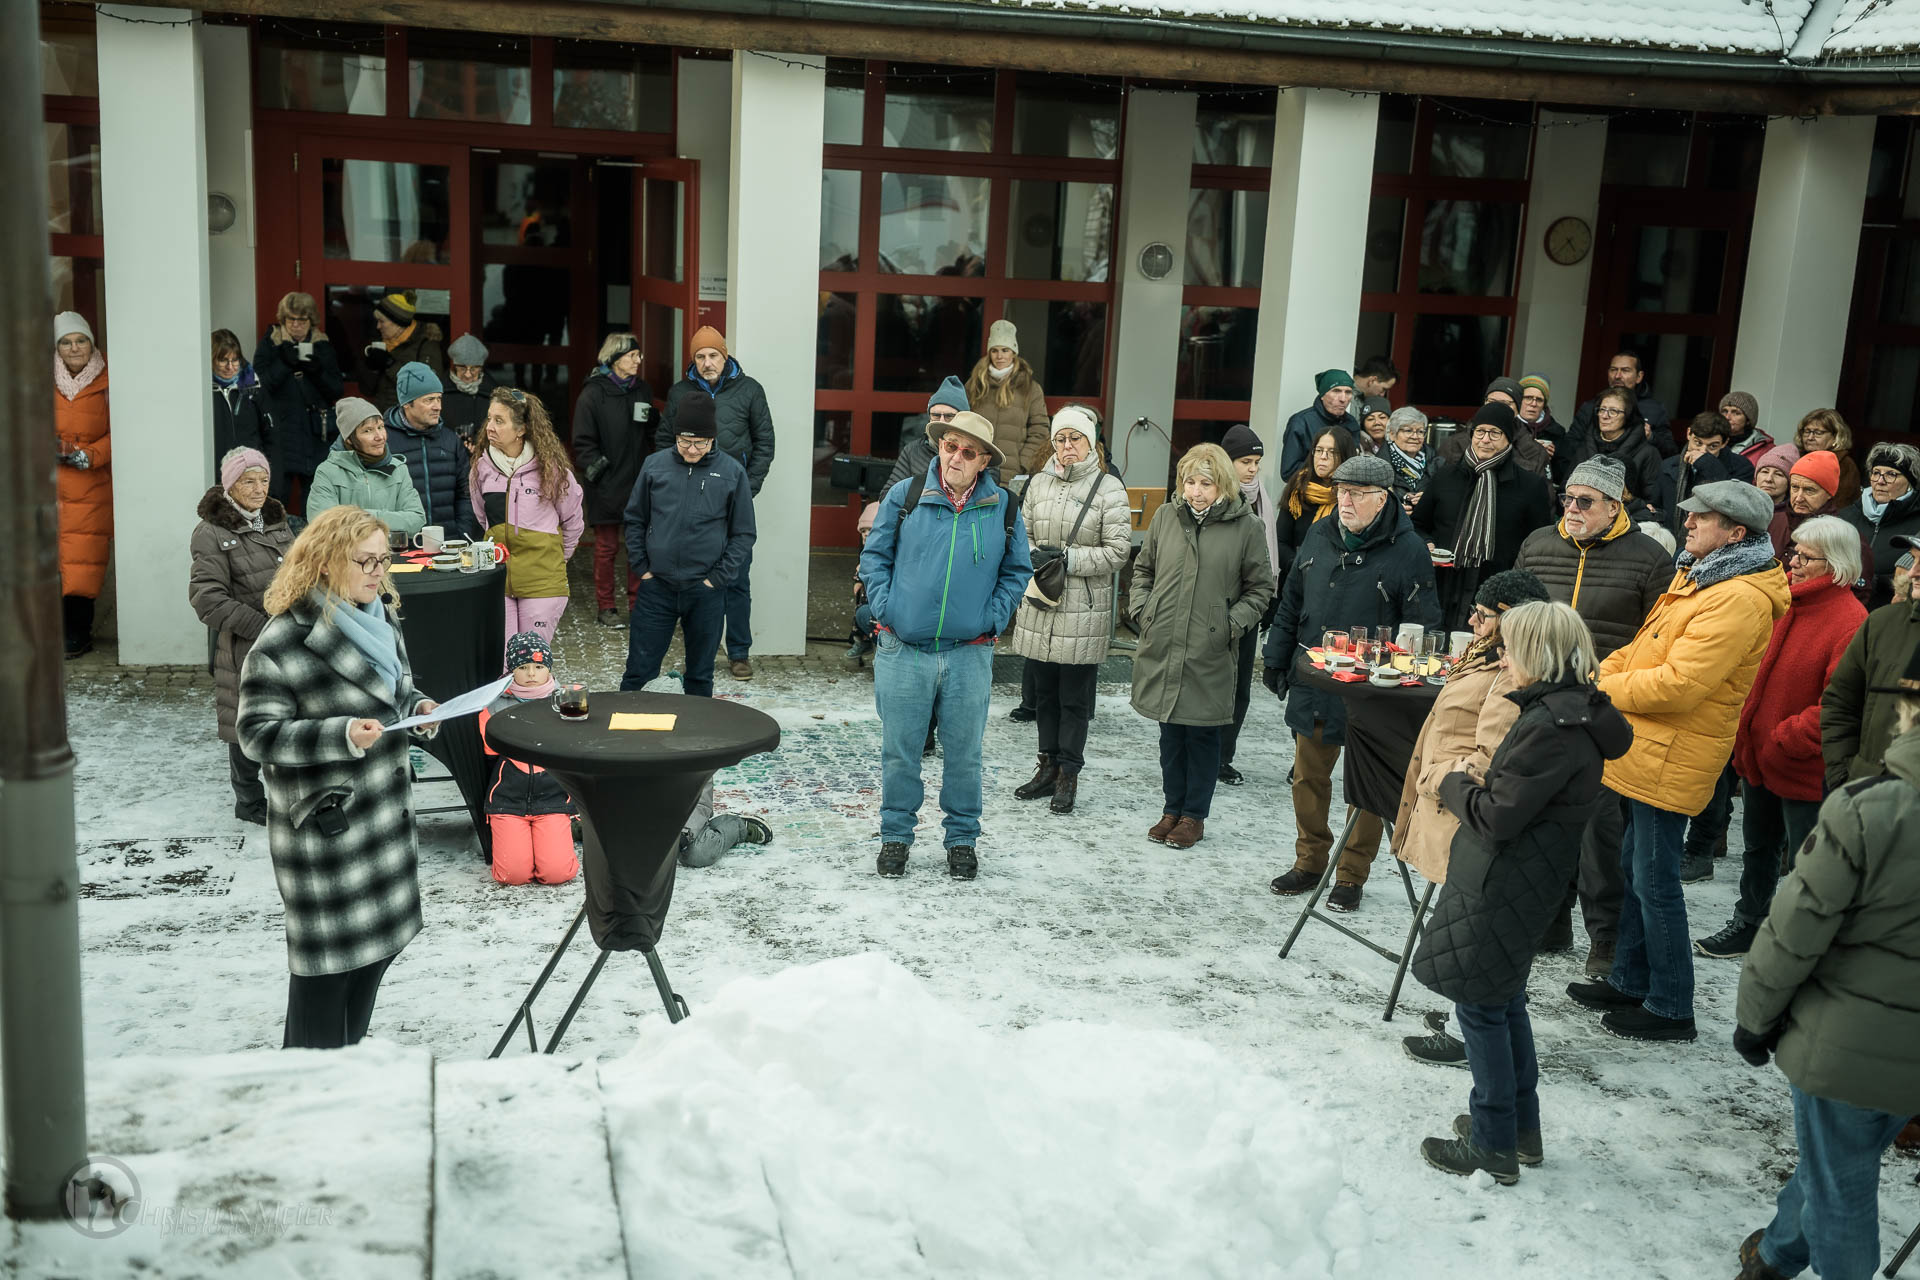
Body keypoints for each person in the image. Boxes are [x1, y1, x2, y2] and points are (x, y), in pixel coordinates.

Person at [1410, 601, 1632, 1184]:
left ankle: (1493, 1144)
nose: (1503, 658)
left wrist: (1452, 782)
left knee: (1482, 1008)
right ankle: (1517, 1131)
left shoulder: (1548, 726)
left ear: (1538, 652)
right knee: (1502, 1001)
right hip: (1524, 877)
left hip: (1505, 879)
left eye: (1510, 649)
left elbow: (1497, 817)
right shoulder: (1572, 712)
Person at [1566, 481, 1790, 1041]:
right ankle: (1630, 979)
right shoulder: (1700, 575)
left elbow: (1679, 685)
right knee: (1633, 870)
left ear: (1735, 533)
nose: (1686, 523)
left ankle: (1671, 1006)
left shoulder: (1737, 596)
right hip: (1649, 748)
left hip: (1673, 755)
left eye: (1701, 518)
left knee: (1655, 882)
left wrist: (1599, 687)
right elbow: (1641, 649)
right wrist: (1601, 673)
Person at [1731, 642, 1920, 1280]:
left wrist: (1755, 1020)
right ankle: (1778, 1255)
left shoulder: (1871, 808)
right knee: (1835, 1157)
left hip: (1852, 1046)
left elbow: (1792, 932)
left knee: (1842, 1186)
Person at [235, 505, 440, 1049]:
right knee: (325, 983)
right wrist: (341, 734)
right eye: (364, 560)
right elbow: (255, 735)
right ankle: (308, 1085)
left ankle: (345, 1072)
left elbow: (394, 694)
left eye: (384, 559)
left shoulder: (381, 618)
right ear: (325, 561)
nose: (378, 571)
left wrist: (420, 708)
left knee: (371, 965)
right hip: (329, 839)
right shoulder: (283, 641)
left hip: (382, 828)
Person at [1513, 454, 1676, 978]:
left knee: (1600, 831)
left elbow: (1658, 640)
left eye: (1586, 501)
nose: (1573, 508)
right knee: (1540, 816)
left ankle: (1605, 936)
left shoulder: (1650, 558)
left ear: (1614, 505)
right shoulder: (1539, 544)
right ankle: (1551, 919)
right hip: (1540, 704)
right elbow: (1513, 613)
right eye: (1568, 498)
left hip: (1602, 707)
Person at [859, 409, 1031, 880]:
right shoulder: (906, 494)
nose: (956, 457)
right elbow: (874, 558)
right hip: (903, 649)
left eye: (968, 452)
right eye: (950, 445)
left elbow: (1018, 571)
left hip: (969, 652)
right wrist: (887, 609)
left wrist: (994, 617)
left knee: (964, 755)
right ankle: (896, 835)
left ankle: (961, 840)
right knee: (900, 753)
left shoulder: (1004, 506)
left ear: (983, 461)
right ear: (940, 445)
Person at [1265, 453, 1441, 911]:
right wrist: (1276, 656)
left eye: (1357, 494)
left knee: (1365, 786)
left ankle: (1351, 873)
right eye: (1342, 491)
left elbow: (1422, 625)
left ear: (1382, 499)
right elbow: (1291, 599)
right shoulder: (1320, 533)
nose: (1345, 501)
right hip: (1316, 677)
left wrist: (1408, 686)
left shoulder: (1408, 549)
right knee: (1307, 777)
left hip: (1373, 689)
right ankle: (1309, 861)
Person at [1395, 570, 1552, 1072]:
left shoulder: (1513, 672)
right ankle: (1468, 1026)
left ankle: (1471, 1040)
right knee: (1467, 934)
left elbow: (1490, 758)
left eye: (1482, 616)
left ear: (1511, 619)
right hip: (1454, 805)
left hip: (1464, 813)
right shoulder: (1492, 653)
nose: (1472, 622)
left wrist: (1438, 776)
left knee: (1473, 940)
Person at [1695, 517, 1866, 960]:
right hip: (1760, 758)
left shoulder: (1851, 621)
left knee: (1809, 864)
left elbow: (1840, 705)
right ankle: (1749, 922)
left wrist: (1786, 738)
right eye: (1794, 553)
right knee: (1758, 849)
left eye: (1806, 557)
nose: (1793, 563)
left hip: (1804, 767)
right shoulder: (1784, 603)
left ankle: (1807, 945)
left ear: (1836, 563)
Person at [1129, 444, 1272, 849]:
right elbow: (1143, 569)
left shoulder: (1247, 527)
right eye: (1189, 482)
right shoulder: (1166, 517)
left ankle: (1193, 815)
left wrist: (1228, 625)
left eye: (1206, 484)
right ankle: (1171, 809)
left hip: (1209, 648)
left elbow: (1260, 589)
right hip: (1165, 642)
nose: (1196, 491)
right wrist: (1144, 610)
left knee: (1203, 735)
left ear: (1223, 485)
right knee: (1170, 734)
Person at [1006, 405, 1131, 815]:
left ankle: (1068, 774)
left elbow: (1118, 551)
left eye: (1075, 438)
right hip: (1042, 601)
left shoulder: (1109, 488)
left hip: (1083, 608)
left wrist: (1068, 559)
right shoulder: (1038, 483)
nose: (1067, 446)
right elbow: (1020, 534)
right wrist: (1035, 555)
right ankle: (1047, 765)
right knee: (1044, 694)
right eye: (1060, 439)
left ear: (1090, 442)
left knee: (1074, 699)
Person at [656, 326, 774, 680]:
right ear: (693, 361)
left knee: (736, 579)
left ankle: (739, 653)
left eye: (713, 355)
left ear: (725, 356)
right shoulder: (680, 393)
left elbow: (765, 444)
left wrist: (746, 489)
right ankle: (698, 654)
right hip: (691, 503)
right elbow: (664, 441)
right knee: (693, 581)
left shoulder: (750, 390)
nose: (707, 362)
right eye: (700, 357)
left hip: (735, 504)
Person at [621, 394, 756, 698]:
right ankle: (629, 724)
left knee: (699, 675)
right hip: (657, 588)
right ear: (676, 436)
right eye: (684, 442)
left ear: (713, 438)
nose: (692, 450)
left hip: (705, 592)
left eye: (700, 443)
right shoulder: (654, 465)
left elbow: (744, 533)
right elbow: (634, 518)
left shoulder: (732, 472)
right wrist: (642, 568)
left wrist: (717, 579)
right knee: (638, 672)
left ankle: (697, 728)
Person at [188, 447, 295, 825]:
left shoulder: (276, 521)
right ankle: (249, 801)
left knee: (288, 714)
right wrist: (260, 627)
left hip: (289, 638)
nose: (259, 488)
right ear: (230, 484)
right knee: (244, 720)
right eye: (249, 481)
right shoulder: (211, 532)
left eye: (264, 480)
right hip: (246, 642)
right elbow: (207, 599)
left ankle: (291, 792)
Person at [1413, 402, 1555, 630]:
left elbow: (1539, 544)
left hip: (1496, 598)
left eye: (1495, 433)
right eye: (1480, 431)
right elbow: (1417, 525)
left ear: (1509, 439)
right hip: (1441, 589)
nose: (1485, 439)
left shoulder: (1529, 486)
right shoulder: (1446, 476)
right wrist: (1427, 543)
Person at [471, 387, 583, 650]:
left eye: (500, 421)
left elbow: (573, 522)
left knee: (531, 659)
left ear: (521, 429)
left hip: (543, 583)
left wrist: (555, 559)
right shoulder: (481, 468)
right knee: (503, 659)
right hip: (498, 580)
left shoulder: (551, 470)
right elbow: (481, 516)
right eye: (489, 418)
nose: (490, 427)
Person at [477, 631, 579, 886]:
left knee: (557, 873)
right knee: (513, 876)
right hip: (508, 801)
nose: (531, 674)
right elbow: (489, 758)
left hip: (553, 799)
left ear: (549, 669)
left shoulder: (567, 702)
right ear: (511, 670)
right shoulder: (492, 706)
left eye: (539, 666)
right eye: (523, 667)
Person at [1822, 534, 1920, 789]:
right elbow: (1841, 701)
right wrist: (1844, 775)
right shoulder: (1881, 623)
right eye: (1914, 560)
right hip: (1870, 789)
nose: (1913, 573)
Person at [572, 332, 656, 627]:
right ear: (615, 358)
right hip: (606, 484)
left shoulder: (642, 390)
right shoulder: (593, 394)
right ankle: (606, 607)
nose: (638, 360)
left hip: (638, 483)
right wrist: (600, 471)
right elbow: (582, 442)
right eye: (632, 355)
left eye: (638, 355)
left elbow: (651, 434)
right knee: (606, 548)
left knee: (638, 547)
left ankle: (638, 606)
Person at [1218, 422, 1283, 786]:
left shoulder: (1261, 498)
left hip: (1250, 605)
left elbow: (1269, 556)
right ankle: (1205, 752)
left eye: (1256, 462)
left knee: (1240, 685)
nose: (1252, 469)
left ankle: (1224, 756)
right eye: (1245, 461)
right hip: (1214, 605)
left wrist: (1266, 598)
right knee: (1212, 684)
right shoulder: (1214, 496)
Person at [253, 291, 344, 513]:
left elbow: (336, 390)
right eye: (290, 320)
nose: (295, 325)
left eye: (301, 320)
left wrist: (317, 371)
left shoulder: (322, 345)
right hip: (281, 432)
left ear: (311, 321)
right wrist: (283, 364)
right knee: (276, 498)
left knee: (316, 501)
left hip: (316, 433)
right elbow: (257, 387)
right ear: (283, 319)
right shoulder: (271, 343)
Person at [54, 311, 111, 659]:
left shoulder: (108, 380)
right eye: (66, 342)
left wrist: (90, 455)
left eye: (80, 340)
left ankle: (78, 633)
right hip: (48, 484)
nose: (74, 348)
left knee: (83, 561)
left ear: (91, 343)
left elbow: (124, 428)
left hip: (91, 484)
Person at [382, 361, 474, 540]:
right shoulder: (383, 441)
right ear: (407, 404)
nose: (437, 406)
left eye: (439, 398)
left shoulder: (451, 440)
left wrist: (462, 535)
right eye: (429, 400)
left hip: (449, 545)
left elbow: (465, 494)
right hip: (403, 548)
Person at [307, 398, 427, 535]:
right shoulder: (328, 472)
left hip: (388, 549)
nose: (379, 437)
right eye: (368, 430)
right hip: (346, 549)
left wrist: (363, 517)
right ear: (349, 439)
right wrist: (388, 520)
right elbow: (322, 525)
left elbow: (416, 520)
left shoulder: (398, 468)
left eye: (380, 427)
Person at [963, 319, 1050, 482]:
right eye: (994, 350)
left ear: (1013, 352)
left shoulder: (1030, 388)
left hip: (1013, 475)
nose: (1000, 356)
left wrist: (1023, 464)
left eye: (1005, 350)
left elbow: (1040, 430)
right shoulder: (975, 384)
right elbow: (962, 423)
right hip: (975, 470)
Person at [1561, 386, 1661, 521]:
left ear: (1628, 416)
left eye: (1613, 411)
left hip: (1627, 522)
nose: (1604, 416)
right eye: (1602, 410)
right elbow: (1565, 490)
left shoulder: (1648, 453)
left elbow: (1652, 503)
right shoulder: (1584, 448)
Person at [1839, 441, 1920, 609]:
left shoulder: (1917, 524)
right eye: (1876, 473)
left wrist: (1877, 581)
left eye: (1891, 474)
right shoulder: (1846, 516)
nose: (1880, 481)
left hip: (1888, 612)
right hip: (1842, 610)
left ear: (1910, 482)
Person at [1656, 411, 1756, 536]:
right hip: (1672, 536)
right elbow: (1656, 504)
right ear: (1688, 434)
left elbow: (1735, 505)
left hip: (1715, 538)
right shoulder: (1668, 465)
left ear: (1724, 443)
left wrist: (1708, 464)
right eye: (1698, 443)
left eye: (1712, 446)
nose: (1703, 451)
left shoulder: (1742, 467)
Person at [1571, 351, 1672, 456]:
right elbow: (1571, 444)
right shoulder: (1590, 407)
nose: (1617, 376)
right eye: (1613, 370)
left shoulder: (1654, 409)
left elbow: (1670, 450)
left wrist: (1651, 436)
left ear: (1639, 377)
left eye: (1625, 370)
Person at [360, 290, 445, 411]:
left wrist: (390, 364)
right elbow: (366, 390)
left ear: (398, 322)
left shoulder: (426, 345)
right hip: (382, 416)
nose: (378, 326)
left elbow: (427, 389)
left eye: (382, 321)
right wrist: (371, 369)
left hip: (409, 417)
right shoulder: (381, 344)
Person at [1280, 369, 1359, 479]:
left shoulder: (1351, 423)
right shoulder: (1301, 423)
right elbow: (1288, 472)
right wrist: (1325, 468)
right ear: (1322, 395)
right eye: (1336, 391)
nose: (1343, 399)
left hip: (1344, 487)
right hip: (1310, 487)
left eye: (1348, 392)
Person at [211, 328, 269, 468]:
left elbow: (271, 436)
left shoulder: (254, 386)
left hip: (250, 471)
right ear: (211, 360)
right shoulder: (201, 391)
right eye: (223, 360)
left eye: (235, 360)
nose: (230, 367)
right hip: (214, 471)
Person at [1793, 408, 1862, 509]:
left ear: (1835, 436)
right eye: (1807, 431)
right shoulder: (1797, 457)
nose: (1810, 437)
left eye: (1818, 433)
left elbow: (1841, 504)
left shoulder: (1844, 464)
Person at [440, 333, 499, 449]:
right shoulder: (439, 391)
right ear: (454, 366)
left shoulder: (494, 393)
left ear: (481, 368)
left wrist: (479, 444)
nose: (468, 374)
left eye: (474, 368)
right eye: (462, 368)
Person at [1515, 374, 1570, 478]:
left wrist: (1549, 458)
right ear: (1518, 399)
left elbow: (1562, 474)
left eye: (1539, 400)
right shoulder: (1509, 425)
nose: (1533, 404)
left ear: (1544, 404)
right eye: (1528, 398)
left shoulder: (1556, 432)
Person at [1384, 406, 1432, 500]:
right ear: (1392, 434)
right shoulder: (1380, 464)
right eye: (1408, 430)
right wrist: (1398, 506)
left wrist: (1428, 499)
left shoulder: (1436, 461)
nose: (1415, 436)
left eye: (1420, 431)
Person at [1719, 390, 1773, 464]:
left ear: (1748, 420)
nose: (1727, 417)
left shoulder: (1766, 450)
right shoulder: (1709, 440)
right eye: (1724, 411)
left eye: (1736, 413)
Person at [1752, 443, 1801, 512]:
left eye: (1778, 474)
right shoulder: (1741, 508)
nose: (1768, 479)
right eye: (1765, 472)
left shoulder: (1795, 515)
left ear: (1790, 483)